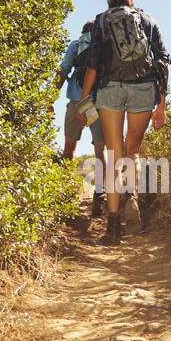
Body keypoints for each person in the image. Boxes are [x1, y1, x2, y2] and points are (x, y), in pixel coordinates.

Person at [77, 0, 171, 246]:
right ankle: (132, 197)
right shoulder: (147, 20)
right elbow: (163, 62)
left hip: (110, 90)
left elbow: (93, 64)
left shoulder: (101, 21)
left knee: (113, 155)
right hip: (143, 88)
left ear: (108, 0)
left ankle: (112, 230)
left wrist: (83, 102)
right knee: (132, 153)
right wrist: (161, 105)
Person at [50, 21, 107, 217]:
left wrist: (50, 98)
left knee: (69, 148)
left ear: (83, 31)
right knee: (100, 150)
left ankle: (63, 194)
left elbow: (64, 69)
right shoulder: (104, 44)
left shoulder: (75, 45)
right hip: (99, 101)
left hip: (76, 101)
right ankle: (100, 196)